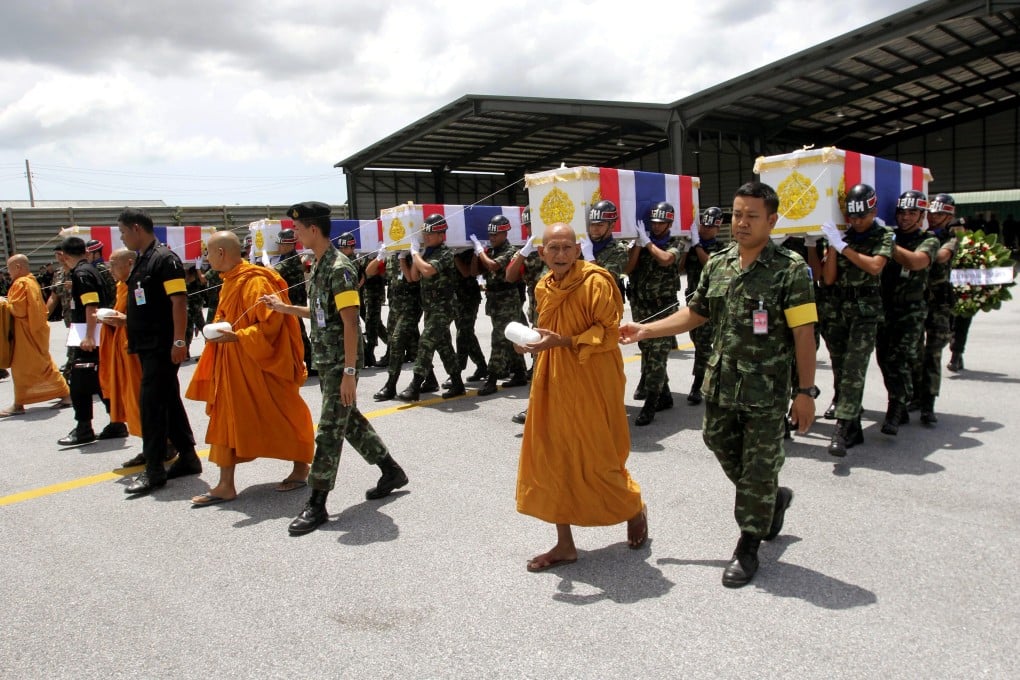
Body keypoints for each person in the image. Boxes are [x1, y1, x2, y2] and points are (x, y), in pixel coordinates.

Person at [620, 181, 818, 588]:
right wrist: (644, 330)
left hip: (766, 392)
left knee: (759, 466)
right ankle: (770, 499)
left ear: (773, 220)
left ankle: (748, 543)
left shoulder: (791, 269)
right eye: (737, 215)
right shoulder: (719, 263)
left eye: (752, 216)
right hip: (722, 384)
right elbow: (695, 314)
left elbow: (804, 334)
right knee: (718, 443)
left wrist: (805, 393)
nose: (741, 223)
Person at [261, 201, 407, 536]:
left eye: (298, 228)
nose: (294, 234)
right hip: (327, 361)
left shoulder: (339, 268)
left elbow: (351, 322)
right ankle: (391, 470)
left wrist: (350, 373)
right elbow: (322, 313)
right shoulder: (318, 264)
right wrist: (285, 308)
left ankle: (317, 502)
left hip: (342, 362)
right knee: (348, 420)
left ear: (313, 229)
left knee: (328, 429)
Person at [515, 222, 647, 572]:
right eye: (552, 249)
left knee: (599, 456)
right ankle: (565, 544)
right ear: (541, 254)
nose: (559, 255)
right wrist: (530, 343)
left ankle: (633, 506)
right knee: (553, 456)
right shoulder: (544, 286)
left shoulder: (596, 282)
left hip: (593, 376)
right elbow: (547, 331)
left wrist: (564, 341)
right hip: (554, 375)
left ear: (577, 250)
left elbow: (608, 334)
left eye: (566, 248)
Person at [185, 232, 314, 505]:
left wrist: (237, 337)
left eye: (208, 253)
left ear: (221, 252)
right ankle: (225, 484)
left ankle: (301, 466)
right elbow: (228, 316)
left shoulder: (255, 280)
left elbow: (271, 324)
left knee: (281, 415)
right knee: (225, 417)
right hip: (232, 362)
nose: (206, 259)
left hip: (259, 362)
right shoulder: (230, 280)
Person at [118, 208, 203, 495]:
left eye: (124, 232)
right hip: (147, 345)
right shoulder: (144, 259)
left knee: (151, 407)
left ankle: (154, 469)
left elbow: (179, 301)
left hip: (162, 346)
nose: (123, 237)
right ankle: (189, 458)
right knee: (167, 401)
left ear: (137, 228)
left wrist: (180, 341)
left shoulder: (165, 259)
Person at [819, 184, 892, 456]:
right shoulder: (843, 235)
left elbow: (875, 266)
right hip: (839, 309)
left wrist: (842, 245)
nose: (857, 221)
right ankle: (854, 426)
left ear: (873, 211)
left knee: (853, 368)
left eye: (862, 215)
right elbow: (828, 279)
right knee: (839, 366)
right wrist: (831, 246)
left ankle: (842, 425)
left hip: (865, 310)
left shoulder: (884, 234)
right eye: (853, 215)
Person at [875, 191, 939, 435]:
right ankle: (904, 398)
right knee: (884, 358)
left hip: (911, 310)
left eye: (912, 212)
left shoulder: (929, 240)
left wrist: (887, 244)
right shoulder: (889, 235)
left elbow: (915, 262)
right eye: (902, 212)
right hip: (886, 307)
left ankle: (896, 409)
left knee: (901, 359)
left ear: (922, 216)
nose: (905, 217)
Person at [625, 201, 684, 426]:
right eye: (654, 223)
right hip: (641, 304)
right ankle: (665, 394)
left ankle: (651, 403)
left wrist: (647, 242)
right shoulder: (642, 243)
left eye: (661, 223)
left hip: (664, 308)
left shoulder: (676, 241)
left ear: (670, 223)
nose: (657, 226)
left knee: (658, 354)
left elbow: (667, 259)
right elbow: (628, 269)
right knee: (648, 351)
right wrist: (638, 245)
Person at [59, 236, 121, 446]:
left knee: (79, 382)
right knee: (98, 378)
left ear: (64, 256)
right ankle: (117, 421)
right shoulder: (89, 269)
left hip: (89, 334)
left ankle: (84, 427)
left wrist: (88, 336)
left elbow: (91, 304)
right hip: (94, 332)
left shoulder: (82, 273)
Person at [397, 215, 465, 401]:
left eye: (430, 233)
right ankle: (458, 383)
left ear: (442, 235)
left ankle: (415, 386)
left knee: (425, 341)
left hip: (444, 306)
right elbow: (414, 277)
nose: (426, 236)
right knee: (444, 346)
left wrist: (416, 254)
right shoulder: (426, 253)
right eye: (425, 233)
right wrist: (407, 258)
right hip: (430, 307)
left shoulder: (445, 253)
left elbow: (427, 270)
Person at [0, 254, 71, 417]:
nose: (8, 272)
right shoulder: (30, 282)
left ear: (18, 267)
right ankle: (64, 395)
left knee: (23, 369)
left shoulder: (21, 283)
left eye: (9, 268)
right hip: (32, 331)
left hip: (26, 334)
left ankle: (19, 404)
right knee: (42, 365)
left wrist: (3, 303)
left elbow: (18, 309)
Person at [913, 194, 960, 424]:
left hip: (939, 303)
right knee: (914, 350)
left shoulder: (950, 239)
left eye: (940, 214)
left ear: (949, 216)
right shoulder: (921, 236)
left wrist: (926, 244)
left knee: (933, 352)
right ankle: (915, 394)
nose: (933, 217)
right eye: (931, 213)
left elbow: (940, 257)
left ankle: (928, 402)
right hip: (918, 300)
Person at [472, 215, 528, 396]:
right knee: (511, 337)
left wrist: (480, 251)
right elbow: (474, 271)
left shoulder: (510, 250)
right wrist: (476, 253)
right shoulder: (491, 250)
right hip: (495, 299)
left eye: (496, 234)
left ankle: (492, 379)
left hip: (508, 300)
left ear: (505, 233)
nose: (492, 237)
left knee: (498, 339)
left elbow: (494, 266)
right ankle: (519, 373)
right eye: (490, 234)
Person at [505, 206, 546, 424]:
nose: (531, 229)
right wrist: (523, 252)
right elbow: (510, 276)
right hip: (537, 314)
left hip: (558, 313)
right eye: (528, 225)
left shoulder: (556, 247)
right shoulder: (526, 251)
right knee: (539, 361)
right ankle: (537, 407)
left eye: (534, 224)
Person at [97, 249, 143, 445]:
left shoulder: (139, 286)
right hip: (124, 347)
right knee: (131, 397)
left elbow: (147, 316)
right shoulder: (122, 286)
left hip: (137, 349)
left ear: (130, 263)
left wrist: (126, 320)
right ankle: (147, 446)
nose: (110, 269)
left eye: (114, 264)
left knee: (140, 398)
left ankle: (160, 445)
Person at [681, 207, 726, 405]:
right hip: (692, 301)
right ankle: (710, 379)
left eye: (710, 226)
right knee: (698, 341)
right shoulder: (692, 245)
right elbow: (680, 268)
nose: (706, 229)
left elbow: (709, 264)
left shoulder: (722, 247)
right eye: (703, 225)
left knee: (703, 345)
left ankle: (698, 384)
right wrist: (685, 248)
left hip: (711, 304)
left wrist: (698, 246)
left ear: (718, 227)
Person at [369, 248, 422, 401]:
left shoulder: (413, 253)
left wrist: (404, 256)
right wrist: (381, 255)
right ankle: (430, 379)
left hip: (411, 305)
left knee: (397, 342)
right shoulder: (391, 255)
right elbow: (369, 271)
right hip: (395, 306)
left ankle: (390, 385)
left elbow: (412, 278)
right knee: (413, 344)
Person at [272, 228, 314, 375]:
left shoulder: (291, 260)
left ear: (289, 245)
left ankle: (310, 363)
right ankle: (306, 362)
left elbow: (272, 273)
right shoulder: (287, 258)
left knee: (299, 333)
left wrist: (263, 261)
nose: (279, 247)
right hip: (290, 301)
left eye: (281, 244)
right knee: (296, 332)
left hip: (295, 301)